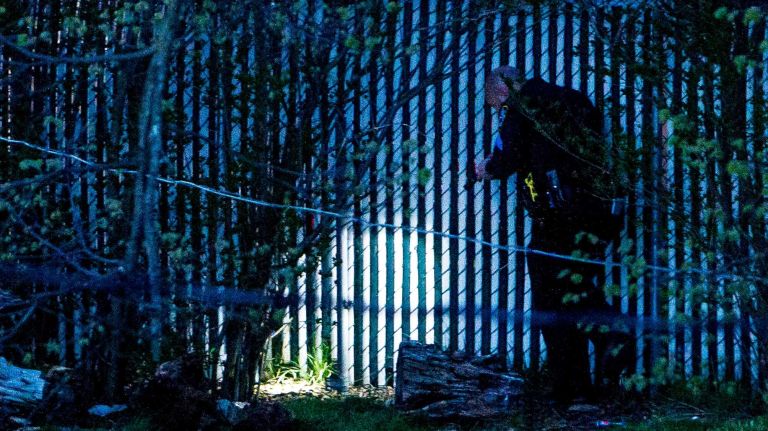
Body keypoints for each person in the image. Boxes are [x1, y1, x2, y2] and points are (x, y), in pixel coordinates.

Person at [476, 65, 632, 403]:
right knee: (573, 288)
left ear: (505, 90)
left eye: (499, 105)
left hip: (558, 216)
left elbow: (507, 157)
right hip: (596, 213)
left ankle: (576, 377)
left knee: (550, 299)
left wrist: (487, 168)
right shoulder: (574, 99)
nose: (502, 111)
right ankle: (588, 376)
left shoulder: (523, 107)